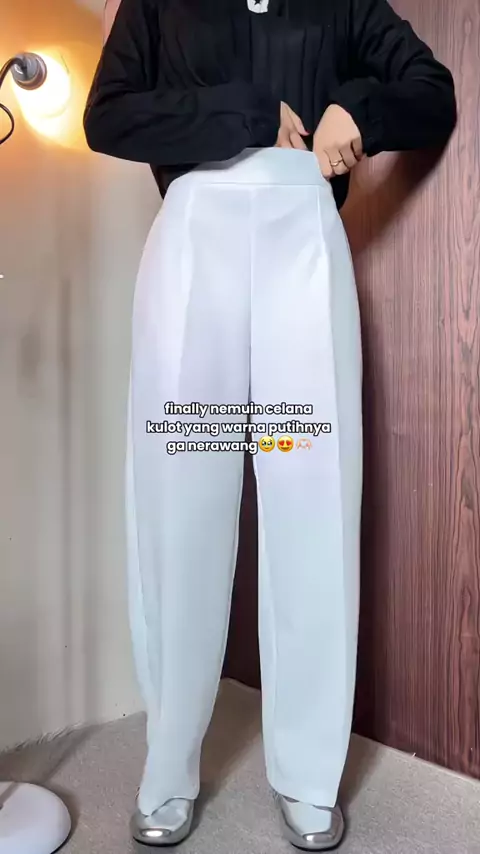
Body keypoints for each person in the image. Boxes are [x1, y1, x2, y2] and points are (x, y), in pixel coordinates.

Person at [84, 1, 456, 849]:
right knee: (180, 499)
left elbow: (430, 92)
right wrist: (250, 111)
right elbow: (109, 116)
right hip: (195, 243)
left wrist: (358, 108)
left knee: (312, 495)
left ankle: (309, 771)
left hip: (302, 242)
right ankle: (168, 768)